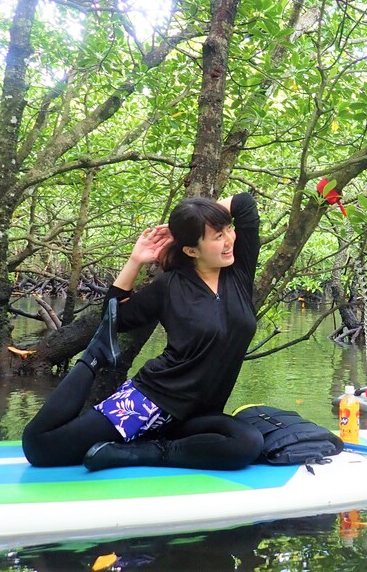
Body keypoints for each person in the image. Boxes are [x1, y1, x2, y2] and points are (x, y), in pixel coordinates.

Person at [22, 192, 264, 472]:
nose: (230, 239)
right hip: (152, 400)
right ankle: (90, 368)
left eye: (228, 229)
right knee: (40, 447)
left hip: (197, 416)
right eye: (218, 236)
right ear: (191, 250)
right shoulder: (170, 286)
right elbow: (116, 317)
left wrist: (189, 224)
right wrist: (135, 261)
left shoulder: (239, 271)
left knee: (246, 443)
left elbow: (244, 203)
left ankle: (145, 452)